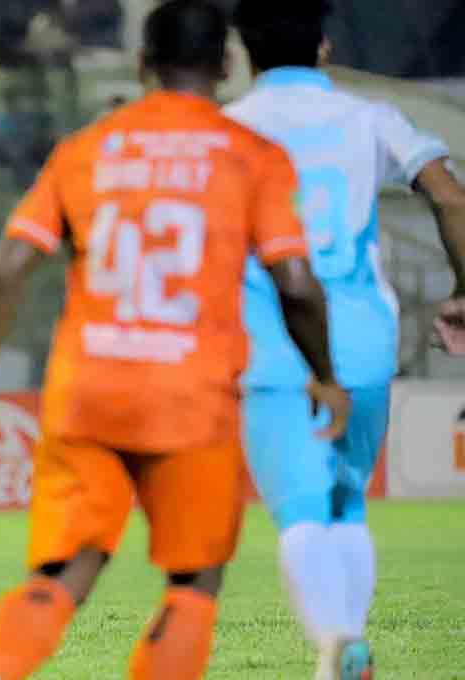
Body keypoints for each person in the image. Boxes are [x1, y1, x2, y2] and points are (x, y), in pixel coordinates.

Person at [0, 2, 350, 678]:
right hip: (193, 396)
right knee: (192, 582)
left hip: (89, 389)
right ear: (226, 64)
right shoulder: (253, 156)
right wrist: (324, 374)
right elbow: (296, 283)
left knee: (63, 571)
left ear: (143, 63)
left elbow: (8, 268)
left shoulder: (86, 150)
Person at [226, 2, 465, 678]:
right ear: (325, 47)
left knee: (299, 508)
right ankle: (346, 645)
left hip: (273, 344)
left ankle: (337, 644)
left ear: (244, 50)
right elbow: (450, 196)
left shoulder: (227, 130)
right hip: (363, 342)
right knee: (346, 501)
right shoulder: (373, 118)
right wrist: (463, 289)